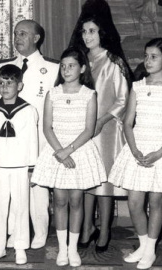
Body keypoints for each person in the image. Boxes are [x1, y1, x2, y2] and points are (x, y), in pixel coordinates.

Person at [31, 48, 106, 267]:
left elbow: (89, 129)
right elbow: (47, 127)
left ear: (82, 68)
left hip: (79, 151)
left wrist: (69, 150)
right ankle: (62, 249)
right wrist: (60, 152)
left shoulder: (89, 94)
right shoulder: (53, 93)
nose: (66, 70)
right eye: (63, 66)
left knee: (76, 200)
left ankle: (73, 248)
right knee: (60, 200)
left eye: (71, 65)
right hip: (56, 150)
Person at [0, 19, 59, 249]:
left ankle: (39, 230)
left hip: (39, 138)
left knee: (36, 185)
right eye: (15, 33)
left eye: (23, 33)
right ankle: (14, 231)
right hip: (9, 140)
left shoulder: (52, 67)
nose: (17, 38)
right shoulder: (5, 66)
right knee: (12, 188)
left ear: (36, 38)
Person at [69, 9, 133, 252]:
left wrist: (101, 121)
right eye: (84, 32)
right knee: (86, 181)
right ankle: (87, 227)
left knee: (103, 183)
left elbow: (122, 100)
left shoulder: (112, 61)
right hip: (84, 130)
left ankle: (104, 230)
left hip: (105, 130)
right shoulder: (82, 60)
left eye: (92, 31)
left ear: (102, 33)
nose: (87, 36)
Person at [109, 38, 162, 270]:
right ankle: (143, 245)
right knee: (134, 202)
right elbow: (128, 122)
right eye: (146, 56)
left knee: (156, 201)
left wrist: (158, 153)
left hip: (160, 150)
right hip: (138, 148)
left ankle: (150, 250)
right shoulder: (138, 86)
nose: (147, 61)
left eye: (154, 57)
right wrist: (134, 149)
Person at [0, 64, 38, 265]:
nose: (4, 87)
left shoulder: (28, 110)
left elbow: (33, 140)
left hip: (21, 166)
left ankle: (20, 246)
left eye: (10, 83)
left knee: (21, 206)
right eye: (1, 83)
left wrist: (32, 167)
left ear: (20, 85)